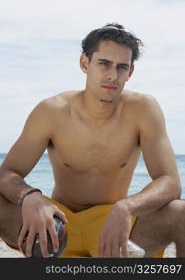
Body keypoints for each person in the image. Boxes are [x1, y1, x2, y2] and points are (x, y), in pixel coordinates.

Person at [0, 23, 183, 258]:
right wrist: (30, 196)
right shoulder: (52, 111)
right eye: (104, 63)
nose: (112, 75)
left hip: (114, 229)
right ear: (85, 64)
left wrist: (126, 207)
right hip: (56, 227)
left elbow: (170, 182)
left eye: (121, 67)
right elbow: (7, 173)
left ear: (130, 73)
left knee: (181, 214)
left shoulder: (143, 110)